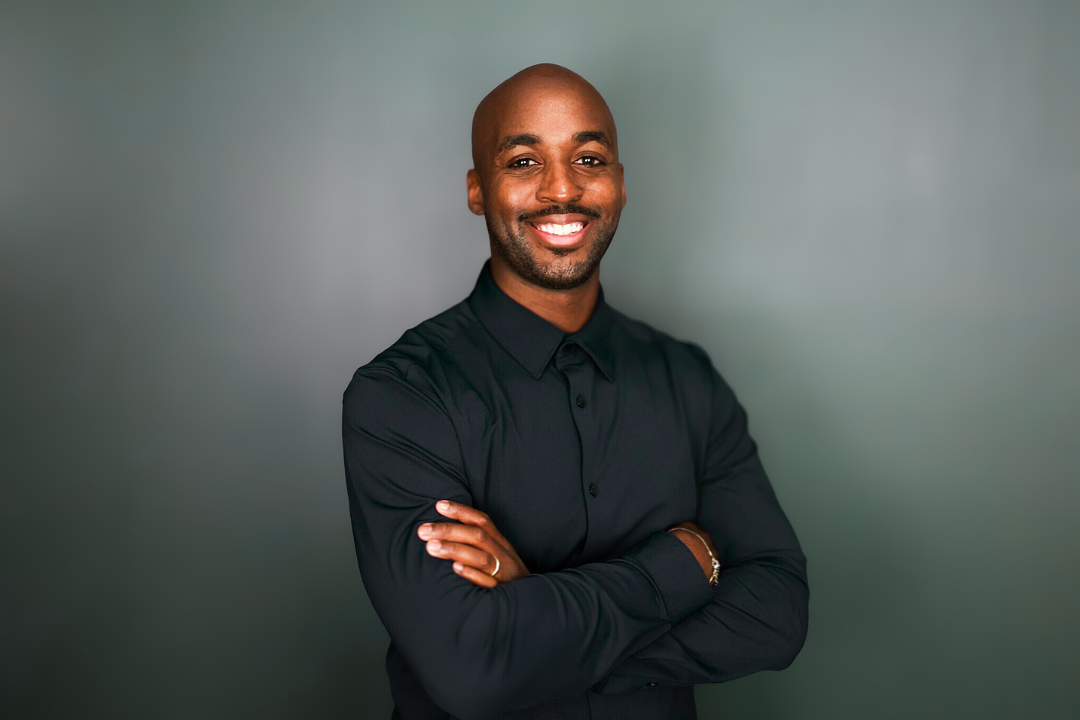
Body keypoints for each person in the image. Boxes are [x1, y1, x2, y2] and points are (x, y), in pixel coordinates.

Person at [342, 63, 808, 720]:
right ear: (478, 190)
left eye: (588, 158)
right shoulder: (403, 395)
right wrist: (683, 563)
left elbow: (778, 613)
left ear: (618, 184)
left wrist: (542, 616)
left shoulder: (688, 378)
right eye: (525, 161)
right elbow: (474, 667)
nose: (563, 188)